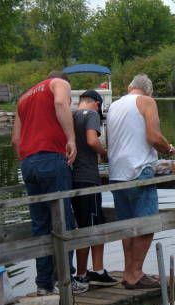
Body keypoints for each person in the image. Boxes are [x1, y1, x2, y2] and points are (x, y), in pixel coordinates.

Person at [11, 70, 88, 295]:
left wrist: (29, 160)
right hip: (52, 158)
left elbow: (16, 139)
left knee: (40, 224)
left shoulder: (24, 97)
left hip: (28, 162)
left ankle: (43, 284)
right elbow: (61, 104)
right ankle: (64, 278)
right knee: (64, 221)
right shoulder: (58, 83)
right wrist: (72, 140)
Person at [107, 73, 175, 289]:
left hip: (117, 172)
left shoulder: (114, 106)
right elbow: (153, 137)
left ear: (130, 87)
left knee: (128, 226)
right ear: (148, 91)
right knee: (147, 224)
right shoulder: (147, 101)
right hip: (139, 169)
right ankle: (135, 273)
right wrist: (169, 149)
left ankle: (130, 272)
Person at [71, 90, 118, 286]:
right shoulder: (90, 115)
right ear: (97, 104)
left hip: (73, 177)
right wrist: (104, 153)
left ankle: (97, 270)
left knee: (96, 222)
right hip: (87, 179)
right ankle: (82, 275)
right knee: (88, 227)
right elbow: (92, 140)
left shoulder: (70, 116)